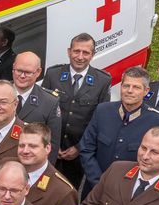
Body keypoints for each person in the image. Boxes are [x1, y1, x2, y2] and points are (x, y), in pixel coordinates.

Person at [79, 66, 159, 195]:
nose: (129, 91)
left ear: (146, 91)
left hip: (128, 194)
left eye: (136, 87)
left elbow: (155, 162)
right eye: (126, 86)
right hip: (94, 189)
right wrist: (99, 182)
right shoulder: (102, 111)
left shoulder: (157, 121)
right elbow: (86, 149)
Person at [42, 33, 112, 188]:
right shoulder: (53, 74)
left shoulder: (102, 81)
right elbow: (43, 111)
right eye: (76, 51)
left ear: (93, 55)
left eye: (86, 52)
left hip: (76, 155)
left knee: (69, 191)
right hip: (49, 149)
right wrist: (50, 144)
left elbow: (99, 121)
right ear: (69, 51)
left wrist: (79, 148)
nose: (80, 57)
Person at [0, 51, 63, 163]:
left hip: (24, 167)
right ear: (13, 68)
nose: (22, 76)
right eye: (19, 71)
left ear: (38, 72)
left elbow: (51, 146)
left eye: (27, 72)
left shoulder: (49, 102)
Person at [18, 123, 79, 205]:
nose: (25, 151)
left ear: (48, 148)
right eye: (21, 145)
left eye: (33, 146)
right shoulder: (8, 169)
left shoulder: (63, 192)